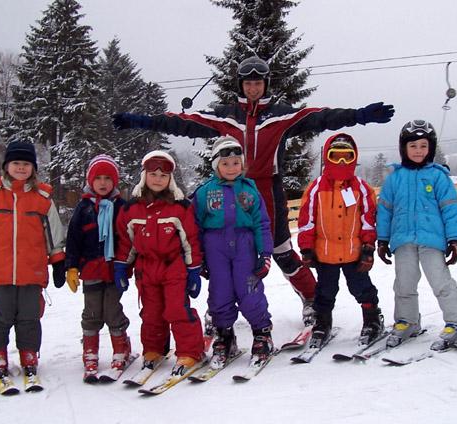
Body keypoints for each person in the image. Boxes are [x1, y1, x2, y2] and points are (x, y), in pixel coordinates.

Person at [112, 55, 395, 326]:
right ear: (240, 85)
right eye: (248, 83)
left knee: (282, 251)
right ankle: (218, 308)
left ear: (266, 84)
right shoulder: (225, 118)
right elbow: (181, 123)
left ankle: (311, 298)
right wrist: (141, 120)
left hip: (267, 190)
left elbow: (320, 117)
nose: (253, 88)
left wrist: (359, 115)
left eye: (258, 83)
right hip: (228, 190)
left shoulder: (281, 116)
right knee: (222, 252)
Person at [0, 141, 66, 381]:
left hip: (33, 272)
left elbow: (54, 233)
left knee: (30, 316)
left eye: (26, 164)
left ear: (33, 168)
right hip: (1, 271)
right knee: (0, 314)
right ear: (6, 166)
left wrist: (59, 261)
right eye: (16, 163)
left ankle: (29, 353)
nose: (21, 168)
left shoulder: (43, 199)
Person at [376, 120, 457, 350]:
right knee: (404, 283)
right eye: (413, 146)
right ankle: (407, 321)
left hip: (432, 240)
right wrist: (382, 239)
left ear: (430, 148)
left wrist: (455, 239)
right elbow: (385, 210)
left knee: (441, 282)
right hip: (403, 240)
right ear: (404, 148)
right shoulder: (395, 177)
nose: (419, 150)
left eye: (423, 146)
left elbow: (451, 208)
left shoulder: (438, 176)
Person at [114, 150, 205, 377]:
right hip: (146, 268)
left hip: (173, 266)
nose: (158, 179)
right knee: (152, 312)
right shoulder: (131, 209)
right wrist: (121, 267)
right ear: (144, 176)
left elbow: (190, 241)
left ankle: (190, 351)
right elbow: (127, 243)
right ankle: (154, 349)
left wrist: (194, 270)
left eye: (163, 176)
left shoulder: (180, 207)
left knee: (176, 309)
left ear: (170, 179)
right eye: (153, 174)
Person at [191, 136, 274, 368]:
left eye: (236, 163)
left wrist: (265, 255)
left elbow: (261, 224)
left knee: (249, 290)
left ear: (242, 164)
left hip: (245, 247)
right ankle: (225, 336)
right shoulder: (204, 192)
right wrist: (199, 259)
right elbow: (194, 227)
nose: (231, 168)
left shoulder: (250, 190)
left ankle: (262, 333)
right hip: (215, 248)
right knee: (220, 293)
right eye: (225, 163)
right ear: (216, 165)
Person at [297, 133, 383, 348]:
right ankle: (323, 323)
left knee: (362, 288)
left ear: (354, 158)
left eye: (347, 157)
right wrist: (306, 248)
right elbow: (307, 220)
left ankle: (372, 319)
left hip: (354, 253)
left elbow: (368, 220)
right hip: (325, 253)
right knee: (324, 292)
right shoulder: (316, 188)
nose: (342, 162)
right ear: (328, 157)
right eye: (337, 157)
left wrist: (368, 246)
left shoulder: (362, 188)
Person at [65, 154, 132, 382]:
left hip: (115, 270)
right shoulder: (83, 208)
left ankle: (121, 348)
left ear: (115, 181)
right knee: (92, 312)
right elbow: (73, 240)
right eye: (98, 178)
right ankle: (90, 352)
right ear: (90, 181)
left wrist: (129, 266)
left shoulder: (122, 207)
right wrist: (71, 267)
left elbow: (128, 239)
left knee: (112, 311)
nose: (103, 183)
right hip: (91, 270)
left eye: (108, 178)